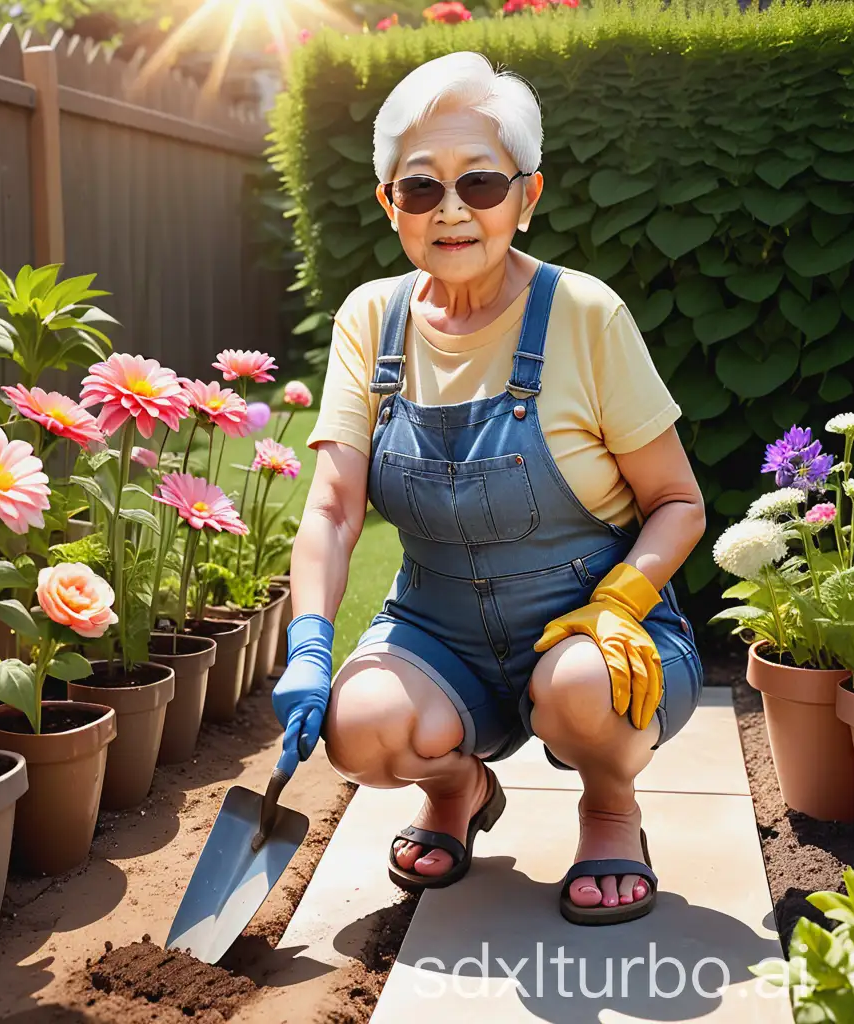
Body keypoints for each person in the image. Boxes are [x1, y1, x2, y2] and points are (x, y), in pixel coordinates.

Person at [272, 51, 704, 925]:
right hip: (439, 633)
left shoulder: (585, 315)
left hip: (596, 626)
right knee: (358, 731)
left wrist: (620, 600)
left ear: (526, 196)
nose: (454, 209)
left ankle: (611, 807)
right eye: (422, 189)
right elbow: (331, 506)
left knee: (585, 687)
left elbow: (678, 501)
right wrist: (312, 642)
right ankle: (456, 789)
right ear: (393, 204)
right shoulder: (371, 320)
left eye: (482, 182)